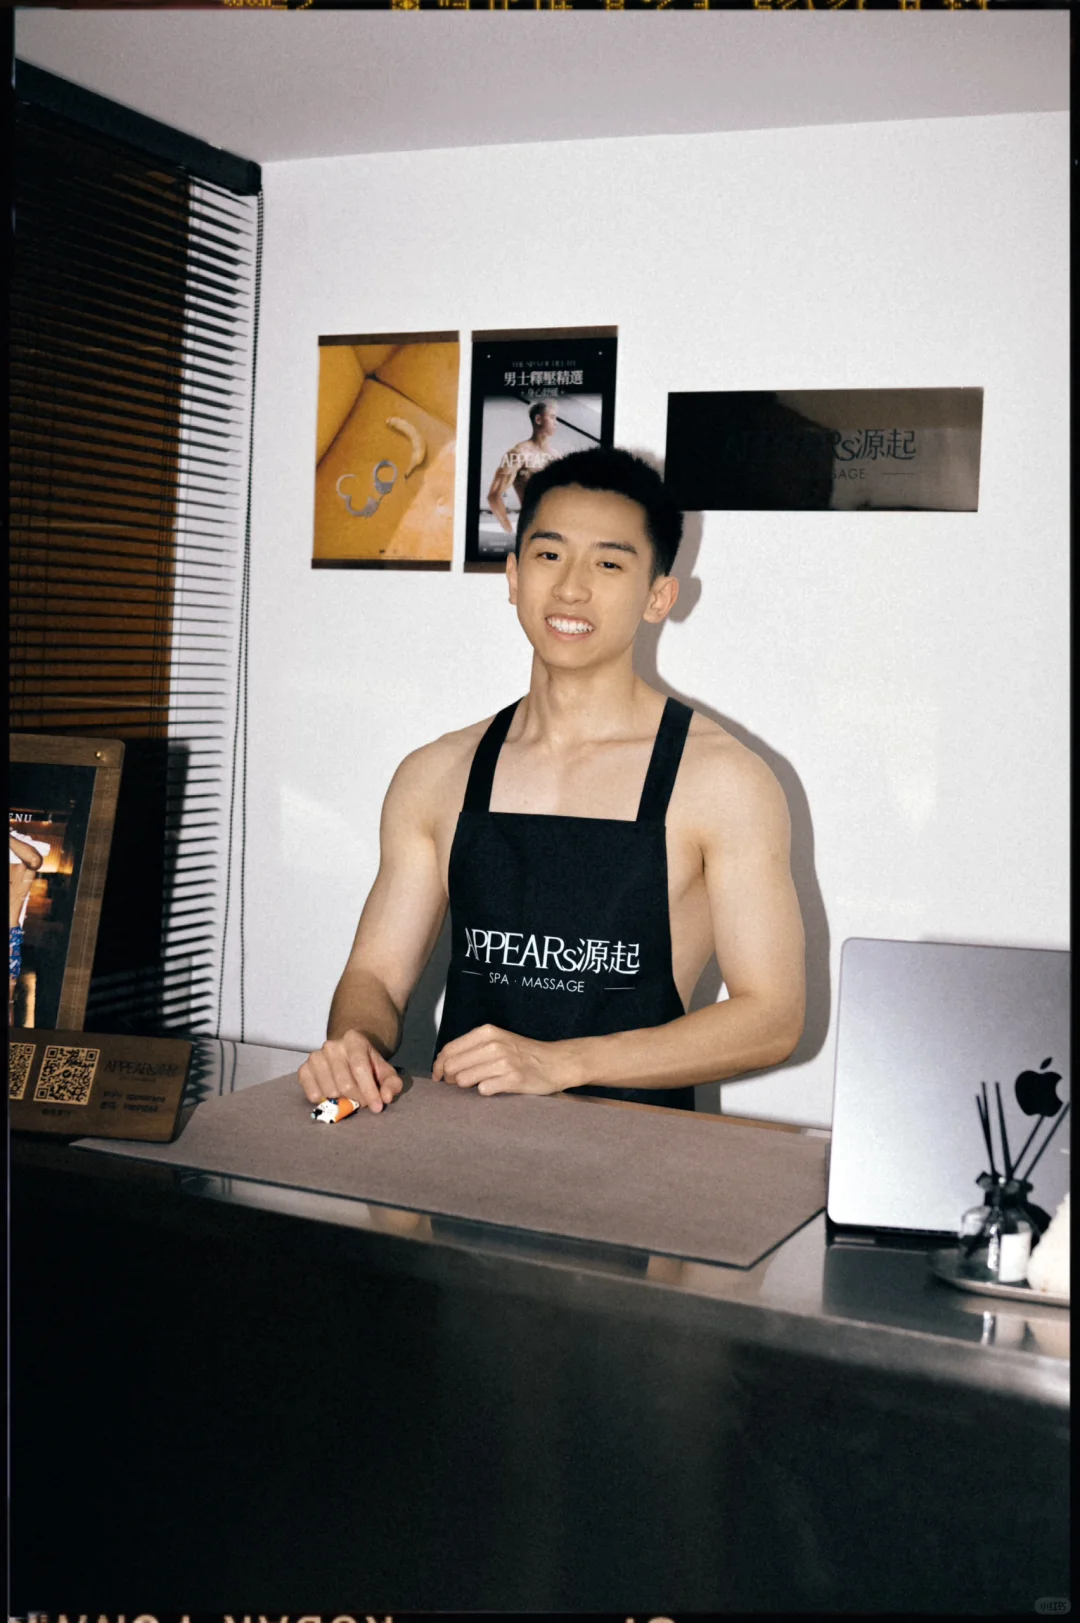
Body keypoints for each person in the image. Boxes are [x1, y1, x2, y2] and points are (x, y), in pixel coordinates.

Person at [299, 446, 805, 1114]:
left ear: (658, 596)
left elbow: (772, 1017)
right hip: (457, 1151)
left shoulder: (723, 780)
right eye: (548, 554)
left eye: (608, 563)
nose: (570, 587)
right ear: (513, 575)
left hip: (638, 1159)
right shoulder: (436, 775)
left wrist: (563, 1063)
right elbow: (375, 976)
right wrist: (354, 1043)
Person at [486, 399, 560, 535]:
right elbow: (494, 495)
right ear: (538, 419)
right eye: (552, 417)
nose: (556, 423)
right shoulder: (518, 453)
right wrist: (509, 529)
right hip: (531, 528)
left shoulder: (556, 457)